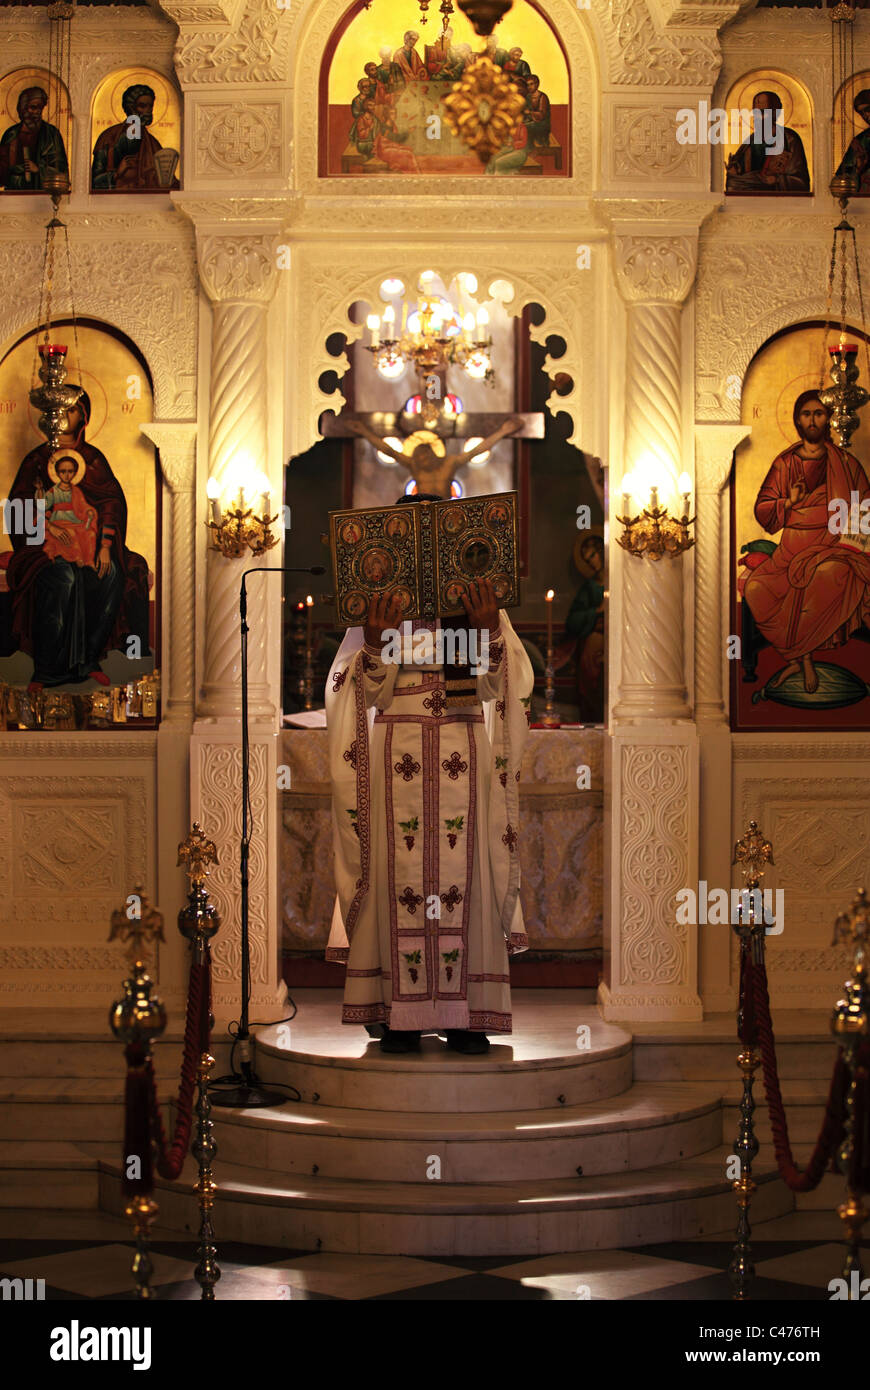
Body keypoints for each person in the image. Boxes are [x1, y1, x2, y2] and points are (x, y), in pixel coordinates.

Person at [325, 496, 534, 1054]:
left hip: (464, 741)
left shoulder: (478, 599)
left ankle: (467, 1014)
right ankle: (399, 1014)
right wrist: (374, 639)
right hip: (396, 748)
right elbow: (359, 690)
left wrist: (488, 629)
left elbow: (509, 684)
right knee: (398, 872)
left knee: (468, 873)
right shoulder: (381, 602)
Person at [4, 391, 150, 691]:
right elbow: (17, 508)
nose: (63, 416)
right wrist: (44, 527)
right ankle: (46, 671)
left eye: (70, 411)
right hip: (42, 547)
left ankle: (89, 660)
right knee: (64, 579)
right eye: (59, 411)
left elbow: (111, 503)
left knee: (112, 576)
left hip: (90, 546)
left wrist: (106, 547)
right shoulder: (36, 460)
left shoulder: (93, 460)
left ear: (84, 416)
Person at [742, 391, 870, 693]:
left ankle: (802, 659)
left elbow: (864, 507)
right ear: (797, 420)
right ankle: (801, 657)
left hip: (835, 549)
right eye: (806, 414)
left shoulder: (846, 463)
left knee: (825, 576)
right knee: (756, 588)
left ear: (828, 419)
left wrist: (848, 544)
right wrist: (789, 501)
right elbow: (763, 508)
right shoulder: (784, 464)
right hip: (791, 551)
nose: (812, 420)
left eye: (819, 413)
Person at [345, 416, 523, 496]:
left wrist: (503, 431)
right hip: (422, 513)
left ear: (432, 454)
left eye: (424, 457)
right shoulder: (414, 465)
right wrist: (363, 431)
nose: (421, 461)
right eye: (418, 458)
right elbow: (388, 451)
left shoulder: (450, 463)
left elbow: (477, 450)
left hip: (445, 512)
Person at [91, 83, 174, 191]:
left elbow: (166, 182)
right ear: (131, 107)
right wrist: (117, 174)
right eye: (143, 106)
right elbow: (94, 182)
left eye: (150, 106)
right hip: (113, 202)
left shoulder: (153, 143)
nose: (148, 111)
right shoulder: (108, 138)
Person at [725, 91, 809, 193]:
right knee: (733, 183)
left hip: (777, 193)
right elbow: (738, 174)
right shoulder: (751, 141)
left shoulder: (790, 139)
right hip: (751, 188)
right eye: (755, 113)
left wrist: (777, 180)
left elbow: (801, 181)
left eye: (763, 112)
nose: (758, 117)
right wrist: (734, 170)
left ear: (774, 113)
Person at [0, 86, 68, 191]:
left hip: (43, 196)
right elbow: (2, 169)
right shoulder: (11, 134)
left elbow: (60, 169)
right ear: (23, 109)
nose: (37, 112)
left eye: (40, 108)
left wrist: (38, 169)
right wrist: (15, 169)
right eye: (33, 107)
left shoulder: (51, 133)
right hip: (13, 193)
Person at [38, 454, 98, 567]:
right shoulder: (53, 491)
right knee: (70, 533)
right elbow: (43, 506)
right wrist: (40, 492)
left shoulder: (76, 490)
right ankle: (77, 558)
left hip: (75, 520)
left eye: (70, 471)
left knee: (90, 534)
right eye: (63, 471)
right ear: (57, 473)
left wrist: (88, 511)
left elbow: (83, 505)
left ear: (75, 473)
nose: (66, 475)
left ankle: (89, 561)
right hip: (59, 521)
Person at [833, 89, 870, 195]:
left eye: (868, 109)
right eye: (861, 113)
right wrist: (858, 168)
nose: (865, 116)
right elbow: (842, 175)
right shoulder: (860, 140)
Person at [523, 76, 551, 148]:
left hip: (542, 124)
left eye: (531, 84)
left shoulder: (542, 97)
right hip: (531, 121)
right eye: (527, 85)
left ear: (537, 84)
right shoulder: (528, 96)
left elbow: (542, 115)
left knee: (526, 127)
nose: (529, 87)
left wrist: (530, 113)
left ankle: (531, 146)